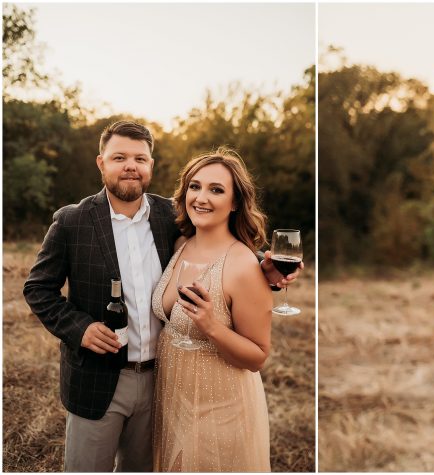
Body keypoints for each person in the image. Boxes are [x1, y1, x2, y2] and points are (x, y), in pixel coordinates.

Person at [22, 120, 297, 472]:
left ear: (151, 165)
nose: (130, 166)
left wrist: (266, 269)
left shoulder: (170, 216)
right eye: (119, 157)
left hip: (161, 382)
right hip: (97, 380)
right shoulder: (72, 222)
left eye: (140, 158)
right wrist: (80, 329)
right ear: (101, 162)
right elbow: (37, 289)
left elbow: (217, 244)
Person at [152, 148, 272, 471]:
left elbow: (259, 355)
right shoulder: (180, 246)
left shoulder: (243, 264)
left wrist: (212, 326)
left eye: (216, 190)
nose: (201, 198)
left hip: (220, 409)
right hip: (171, 399)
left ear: (234, 203)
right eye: (195, 186)